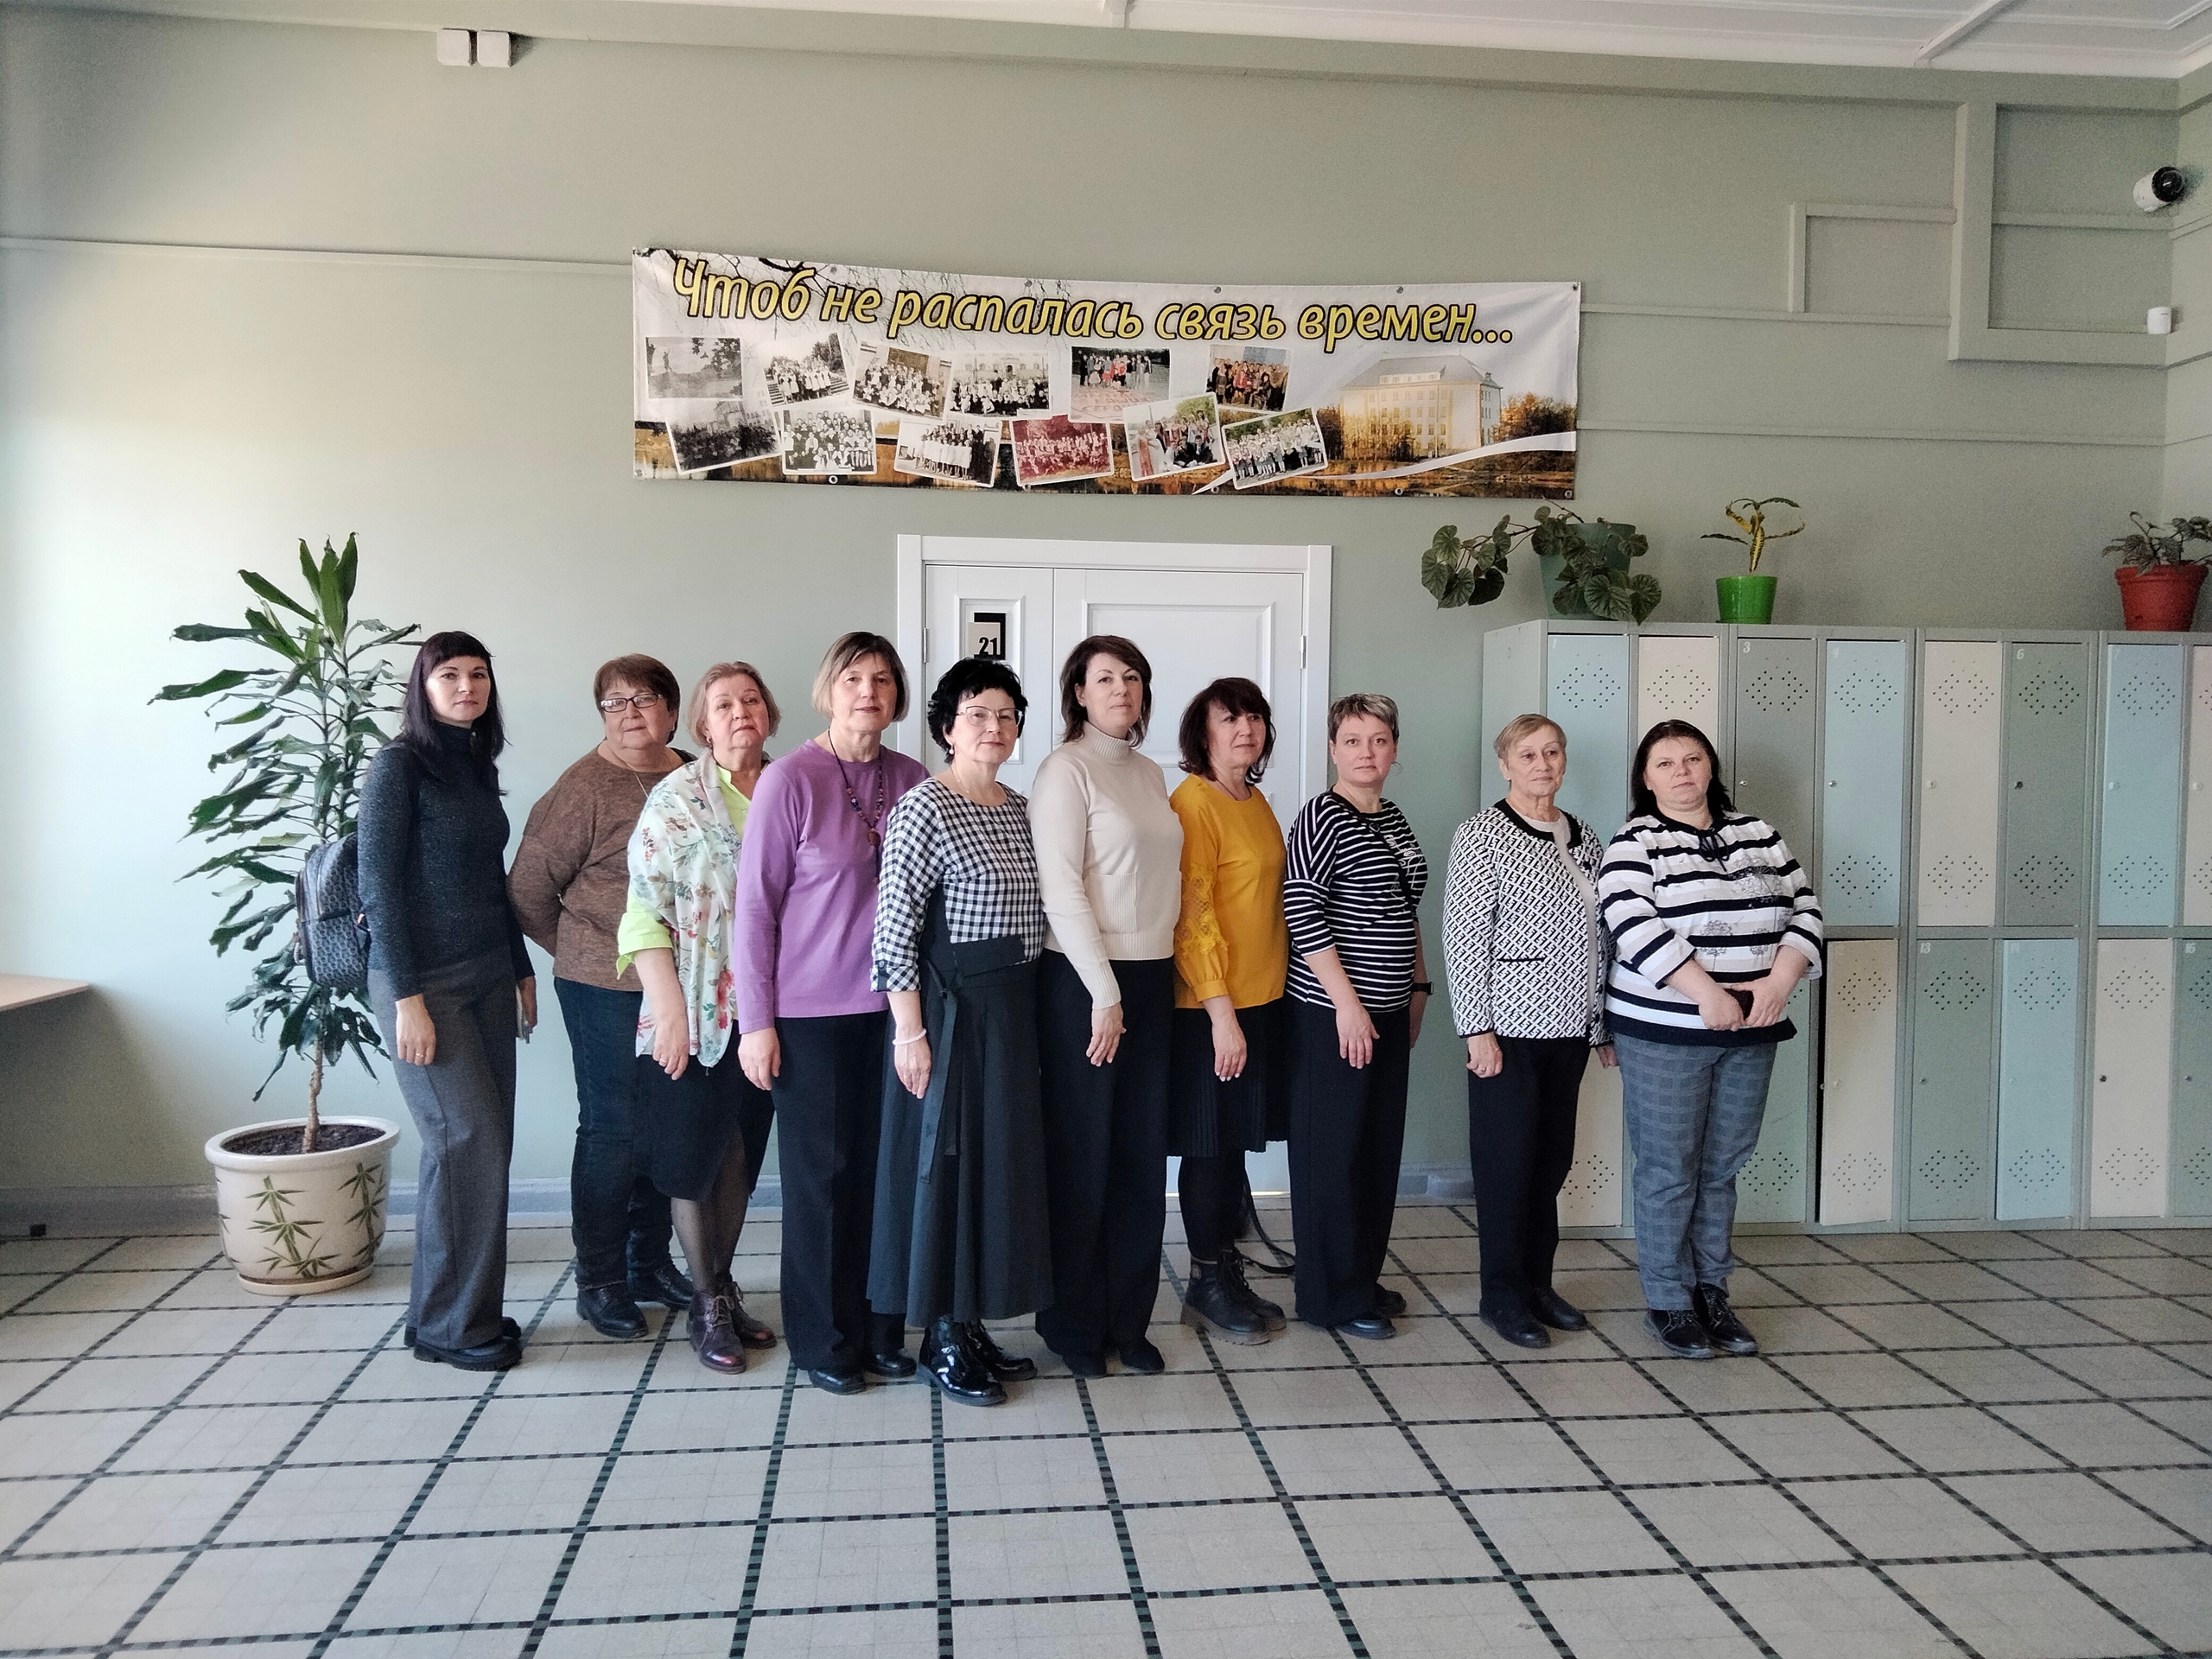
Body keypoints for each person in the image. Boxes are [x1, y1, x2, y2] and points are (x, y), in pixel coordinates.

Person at [735, 633, 930, 1395]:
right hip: (809, 1017)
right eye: (853, 678)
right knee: (822, 1182)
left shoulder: (912, 779)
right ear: (828, 691)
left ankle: (881, 1330)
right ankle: (823, 1339)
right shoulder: (789, 781)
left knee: (886, 1176)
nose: (868, 692)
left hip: (897, 1012)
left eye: (882, 679)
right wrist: (757, 1023)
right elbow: (755, 912)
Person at [1599, 720, 1824, 1361]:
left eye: (1693, 758)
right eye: (1665, 763)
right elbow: (1633, 926)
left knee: (1722, 1168)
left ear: (1711, 767)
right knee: (1670, 1170)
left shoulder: (1759, 833)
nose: (1682, 771)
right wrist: (1705, 993)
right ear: (1646, 779)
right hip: (1666, 1033)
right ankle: (1668, 1300)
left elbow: (1806, 909)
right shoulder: (1634, 843)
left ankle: (1712, 1292)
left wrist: (1780, 981)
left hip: (1754, 1027)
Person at [870, 657, 1053, 1408]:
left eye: (1007, 715)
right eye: (977, 714)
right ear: (948, 727)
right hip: (950, 1016)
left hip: (1013, 1010)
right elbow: (893, 927)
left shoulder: (1020, 807)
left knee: (994, 1169)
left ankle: (971, 1320)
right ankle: (940, 1334)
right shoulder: (925, 807)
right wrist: (908, 1033)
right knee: (945, 1168)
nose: (994, 727)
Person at [359, 632, 537, 1372]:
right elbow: (378, 884)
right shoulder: (398, 766)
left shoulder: (473, 763)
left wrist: (521, 967)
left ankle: (452, 1314)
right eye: (450, 675)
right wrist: (406, 997)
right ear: (423, 687)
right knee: (468, 1141)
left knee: (476, 1151)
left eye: (479, 674)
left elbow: (489, 877)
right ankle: (452, 1328)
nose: (468, 686)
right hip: (424, 985)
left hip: (489, 975)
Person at [508, 655, 696, 1342]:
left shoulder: (692, 773)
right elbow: (527, 892)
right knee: (613, 1129)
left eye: (643, 700)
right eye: (614, 703)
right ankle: (601, 1281)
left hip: (683, 988)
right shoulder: (582, 788)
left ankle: (649, 1263)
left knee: (664, 1126)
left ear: (672, 711)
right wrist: (586, 952)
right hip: (603, 988)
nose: (629, 713)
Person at [617, 664, 782, 1373]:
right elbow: (642, 912)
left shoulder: (791, 787)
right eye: (723, 704)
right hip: (694, 1006)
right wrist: (670, 1012)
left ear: (769, 714)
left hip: (775, 1011)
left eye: (751, 699)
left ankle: (722, 1287)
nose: (740, 711)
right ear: (703, 726)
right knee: (695, 1159)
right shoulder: (676, 798)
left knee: (741, 1150)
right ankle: (707, 1300)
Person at [1029, 636, 1183, 1378]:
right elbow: (1060, 888)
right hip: (1085, 983)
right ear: (1079, 694)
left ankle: (1130, 1321)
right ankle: (1074, 1327)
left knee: (1140, 1161)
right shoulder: (1065, 770)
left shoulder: (1152, 773)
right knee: (1084, 1159)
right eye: (1104, 678)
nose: (1121, 688)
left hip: (1153, 979)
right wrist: (1104, 990)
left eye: (1132, 677)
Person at [1442, 714, 1614, 1350]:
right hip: (1508, 1032)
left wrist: (1602, 1025)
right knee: (1507, 1167)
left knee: (1550, 1165)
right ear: (1505, 765)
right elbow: (1464, 937)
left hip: (1571, 1028)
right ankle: (1502, 1295)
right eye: (1528, 754)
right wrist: (1476, 1030)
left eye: (1552, 752)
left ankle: (1539, 1284)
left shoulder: (1585, 836)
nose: (1543, 764)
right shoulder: (1482, 833)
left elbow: (1604, 937)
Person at [1283, 695, 1429, 1340]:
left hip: (1391, 1011)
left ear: (1394, 749)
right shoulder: (1320, 817)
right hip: (1332, 1014)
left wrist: (1418, 989)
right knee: (1333, 1156)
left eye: (1378, 740)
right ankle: (1329, 1296)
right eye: (1352, 740)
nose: (1366, 752)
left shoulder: (1392, 816)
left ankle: (1361, 1277)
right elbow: (1302, 913)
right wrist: (1347, 1004)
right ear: (1332, 749)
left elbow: (1405, 906)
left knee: (1376, 1151)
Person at [1167, 677, 1291, 1345]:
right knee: (1209, 1147)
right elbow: (1193, 919)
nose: (1246, 729)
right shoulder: (1194, 803)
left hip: (1261, 1001)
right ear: (1203, 732)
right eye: (1230, 719)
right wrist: (1221, 1015)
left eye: (1255, 718)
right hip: (1211, 1009)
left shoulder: (1254, 800)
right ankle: (1205, 1283)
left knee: (1235, 1145)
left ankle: (1226, 1269)